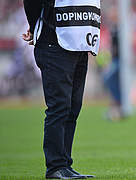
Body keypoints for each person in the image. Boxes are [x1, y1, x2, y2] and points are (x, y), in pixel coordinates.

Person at [22, 0, 100, 178]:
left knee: (73, 108)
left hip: (78, 44)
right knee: (59, 107)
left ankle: (65, 164)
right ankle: (55, 166)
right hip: (54, 42)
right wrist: (35, 26)